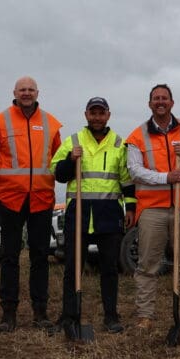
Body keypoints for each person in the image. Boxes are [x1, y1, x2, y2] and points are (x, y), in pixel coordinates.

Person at [125, 84, 180, 332]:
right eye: (156, 98)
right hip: (152, 209)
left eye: (164, 98)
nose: (160, 102)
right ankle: (145, 317)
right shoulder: (137, 136)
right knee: (147, 265)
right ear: (150, 104)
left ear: (172, 102)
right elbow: (134, 171)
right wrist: (165, 178)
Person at [50, 97, 134, 335]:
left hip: (109, 214)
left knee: (109, 268)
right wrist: (70, 159)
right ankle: (69, 316)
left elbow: (127, 180)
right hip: (79, 213)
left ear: (108, 115)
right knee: (72, 268)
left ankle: (111, 316)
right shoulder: (73, 141)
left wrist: (130, 208)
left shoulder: (119, 144)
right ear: (86, 115)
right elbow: (58, 174)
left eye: (101, 113)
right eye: (93, 113)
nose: (97, 117)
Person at [0, 76, 63, 333]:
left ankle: (40, 312)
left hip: (41, 198)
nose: (27, 93)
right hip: (10, 199)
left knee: (40, 256)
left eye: (31, 89)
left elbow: (57, 161)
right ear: (15, 92)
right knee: (9, 256)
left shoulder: (51, 124)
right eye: (22, 90)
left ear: (37, 93)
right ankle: (8, 314)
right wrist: (3, 184)